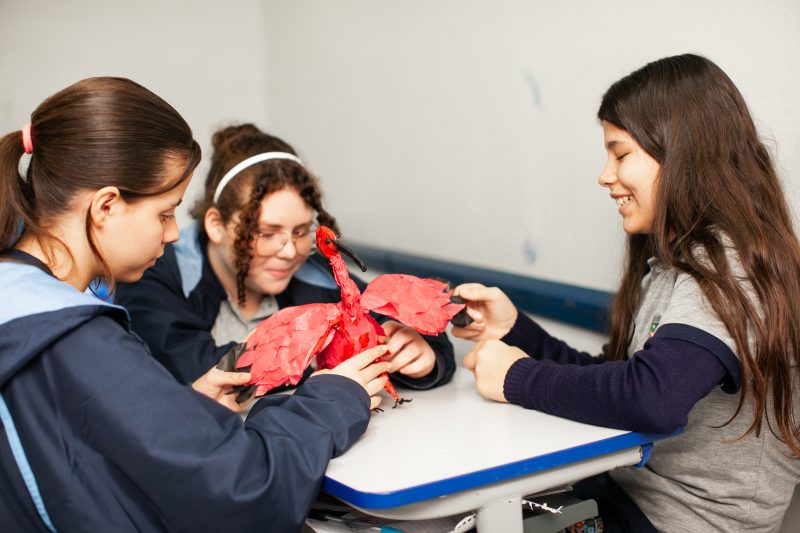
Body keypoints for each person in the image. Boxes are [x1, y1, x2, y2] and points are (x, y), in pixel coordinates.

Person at [0, 77, 390, 532]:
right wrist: (331, 401)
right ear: (106, 206)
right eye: (164, 213)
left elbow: (77, 453)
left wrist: (180, 409)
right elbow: (245, 494)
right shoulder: (75, 336)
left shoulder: (22, 299)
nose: (171, 233)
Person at [451, 54, 800, 532]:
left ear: (682, 153)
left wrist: (517, 378)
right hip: (628, 495)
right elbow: (622, 379)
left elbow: (652, 398)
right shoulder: (673, 265)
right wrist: (516, 332)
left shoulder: (730, 265)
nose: (604, 175)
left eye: (620, 154)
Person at [115, 123, 455, 398]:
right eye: (265, 232)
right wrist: (335, 366)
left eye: (301, 231)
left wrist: (422, 352)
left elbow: (395, 322)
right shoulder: (154, 276)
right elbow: (202, 370)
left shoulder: (316, 273)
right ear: (216, 225)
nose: (290, 251)